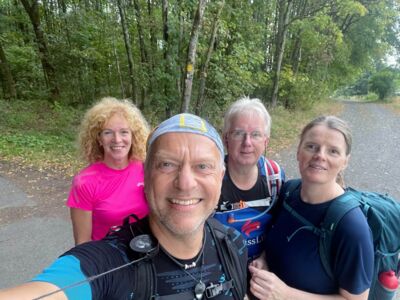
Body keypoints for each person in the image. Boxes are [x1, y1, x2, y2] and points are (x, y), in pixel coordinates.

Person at [0, 113, 248, 300]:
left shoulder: (233, 245)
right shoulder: (110, 263)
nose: (185, 183)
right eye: (167, 165)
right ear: (146, 175)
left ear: (221, 177)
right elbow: (59, 284)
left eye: (202, 166)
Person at [249, 115, 374, 300]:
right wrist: (264, 259)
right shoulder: (288, 191)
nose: (319, 156)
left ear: (345, 161)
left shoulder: (351, 227)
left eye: (333, 151)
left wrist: (285, 294)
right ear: (298, 152)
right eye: (311, 146)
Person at [67, 97, 150, 245]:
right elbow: (82, 243)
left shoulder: (146, 169)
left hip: (147, 254)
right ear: (98, 138)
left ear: (133, 136)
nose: (117, 139)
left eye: (124, 132)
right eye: (108, 133)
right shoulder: (84, 182)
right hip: (108, 259)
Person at [213, 97, 285, 261]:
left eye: (256, 135)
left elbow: (280, 228)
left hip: (262, 270)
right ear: (226, 139)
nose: (247, 142)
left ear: (265, 142)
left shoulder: (274, 176)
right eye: (238, 133)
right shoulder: (212, 178)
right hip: (221, 270)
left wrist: (265, 258)